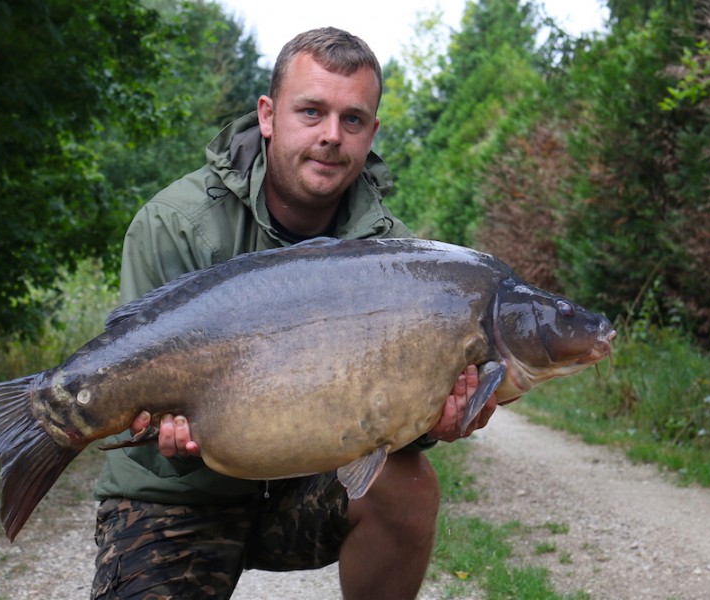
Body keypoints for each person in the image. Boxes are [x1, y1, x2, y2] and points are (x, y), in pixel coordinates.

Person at [92, 27, 497, 600]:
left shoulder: (401, 262)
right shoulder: (177, 223)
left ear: (372, 131)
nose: (331, 136)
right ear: (267, 115)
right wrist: (149, 422)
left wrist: (438, 420)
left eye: (352, 119)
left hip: (309, 486)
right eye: (311, 111)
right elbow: (130, 378)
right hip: (177, 493)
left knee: (408, 485)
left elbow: (393, 420)